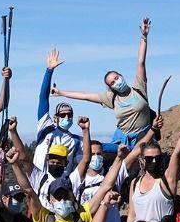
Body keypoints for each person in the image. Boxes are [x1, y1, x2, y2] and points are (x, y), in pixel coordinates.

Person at [49, 17, 154, 148]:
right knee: (100, 151)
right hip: (122, 139)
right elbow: (85, 96)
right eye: (112, 83)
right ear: (111, 87)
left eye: (116, 78)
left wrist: (144, 37)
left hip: (143, 137)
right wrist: (61, 92)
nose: (116, 82)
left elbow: (141, 62)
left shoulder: (139, 87)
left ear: (121, 76)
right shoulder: (111, 98)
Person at [33, 49, 83, 173]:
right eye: (63, 114)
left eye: (69, 115)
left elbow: (100, 147)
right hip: (38, 182)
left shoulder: (76, 141)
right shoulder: (46, 127)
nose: (66, 117)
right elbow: (43, 98)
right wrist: (49, 71)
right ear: (55, 117)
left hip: (61, 188)